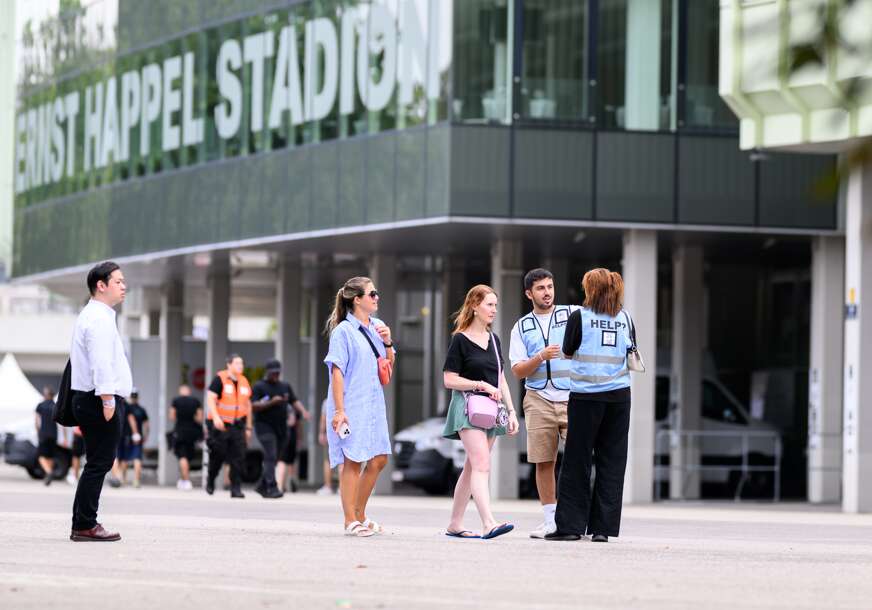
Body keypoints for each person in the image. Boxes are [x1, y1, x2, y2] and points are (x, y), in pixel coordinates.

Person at [546, 269, 635, 543]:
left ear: (591, 290)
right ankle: (602, 530)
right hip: (619, 398)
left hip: (586, 397)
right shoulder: (625, 318)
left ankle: (570, 527)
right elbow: (631, 352)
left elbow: (567, 350)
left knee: (577, 460)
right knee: (612, 461)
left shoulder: (580, 317)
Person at [442, 284, 520, 540]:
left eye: (495, 305)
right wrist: (480, 385)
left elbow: (501, 379)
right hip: (467, 408)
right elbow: (449, 379)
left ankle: (455, 524)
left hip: (491, 411)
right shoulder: (460, 340)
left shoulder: (494, 340)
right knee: (482, 464)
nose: (494, 310)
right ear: (474, 306)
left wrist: (511, 411)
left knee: (472, 467)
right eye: (489, 304)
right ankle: (488, 523)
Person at [324, 276, 395, 537]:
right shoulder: (343, 331)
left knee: (379, 458)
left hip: (374, 403)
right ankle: (349, 520)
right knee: (353, 460)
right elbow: (337, 371)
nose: (377, 297)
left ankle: (360, 513)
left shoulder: (378, 326)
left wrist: (388, 343)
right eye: (372, 294)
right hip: (352, 402)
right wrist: (339, 410)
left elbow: (388, 367)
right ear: (357, 300)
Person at [509, 268, 579, 538]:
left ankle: (575, 517)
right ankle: (550, 520)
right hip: (538, 398)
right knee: (543, 461)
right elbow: (517, 371)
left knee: (578, 460)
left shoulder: (572, 314)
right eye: (540, 288)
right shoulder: (521, 326)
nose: (547, 292)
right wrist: (540, 356)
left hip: (572, 397)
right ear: (529, 294)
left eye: (550, 286)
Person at [69, 261, 132, 542]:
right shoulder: (98, 318)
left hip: (92, 398)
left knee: (96, 463)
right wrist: (108, 401)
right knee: (99, 463)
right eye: (118, 281)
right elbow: (100, 362)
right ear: (101, 285)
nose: (123, 286)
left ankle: (81, 523)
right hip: (98, 399)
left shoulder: (97, 315)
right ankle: (85, 525)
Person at [252, 359, 310, 498]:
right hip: (264, 427)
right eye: (273, 373)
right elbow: (253, 406)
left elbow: (294, 400)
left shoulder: (285, 386)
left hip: (282, 428)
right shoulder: (259, 386)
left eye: (278, 373)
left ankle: (261, 486)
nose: (275, 375)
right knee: (271, 455)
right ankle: (272, 487)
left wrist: (303, 411)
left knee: (275, 457)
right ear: (267, 372)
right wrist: (271, 402)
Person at [205, 353, 253, 498]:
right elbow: (211, 398)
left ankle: (236, 488)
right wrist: (216, 418)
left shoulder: (244, 381)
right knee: (218, 454)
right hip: (220, 425)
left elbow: (248, 405)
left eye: (241, 363)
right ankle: (211, 479)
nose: (240, 366)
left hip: (237, 425)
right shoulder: (220, 379)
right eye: (237, 363)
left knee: (238, 457)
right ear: (229, 365)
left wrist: (249, 427)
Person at [276, 383, 311, 494]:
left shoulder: (279, 404)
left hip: (283, 435)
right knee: (290, 461)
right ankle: (290, 482)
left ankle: (280, 485)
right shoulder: (294, 407)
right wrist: (300, 438)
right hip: (292, 435)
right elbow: (298, 425)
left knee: (282, 461)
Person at [170, 384, 203, 491]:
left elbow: (172, 416)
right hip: (192, 432)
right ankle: (183, 479)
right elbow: (199, 418)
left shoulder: (176, 401)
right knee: (188, 457)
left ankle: (186, 481)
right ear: (189, 391)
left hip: (180, 431)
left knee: (182, 456)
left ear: (181, 391)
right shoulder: (195, 401)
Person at [316, 403, 342, 496]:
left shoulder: (327, 401)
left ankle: (328, 486)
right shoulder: (348, 398)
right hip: (343, 432)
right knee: (343, 461)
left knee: (328, 460)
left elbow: (323, 419)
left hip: (331, 434)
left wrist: (322, 433)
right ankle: (342, 488)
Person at [124, 389, 149, 488]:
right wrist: (145, 436)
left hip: (126, 436)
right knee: (137, 458)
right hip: (138, 437)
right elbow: (147, 425)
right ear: (138, 397)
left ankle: (123, 479)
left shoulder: (126, 408)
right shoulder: (141, 410)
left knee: (124, 458)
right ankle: (136, 480)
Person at [34, 386, 58, 486]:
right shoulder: (55, 405)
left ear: (46, 395)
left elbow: (37, 421)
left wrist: (38, 432)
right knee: (50, 456)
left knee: (41, 456)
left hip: (43, 433)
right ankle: (48, 476)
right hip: (53, 434)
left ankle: (48, 472)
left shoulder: (41, 405)